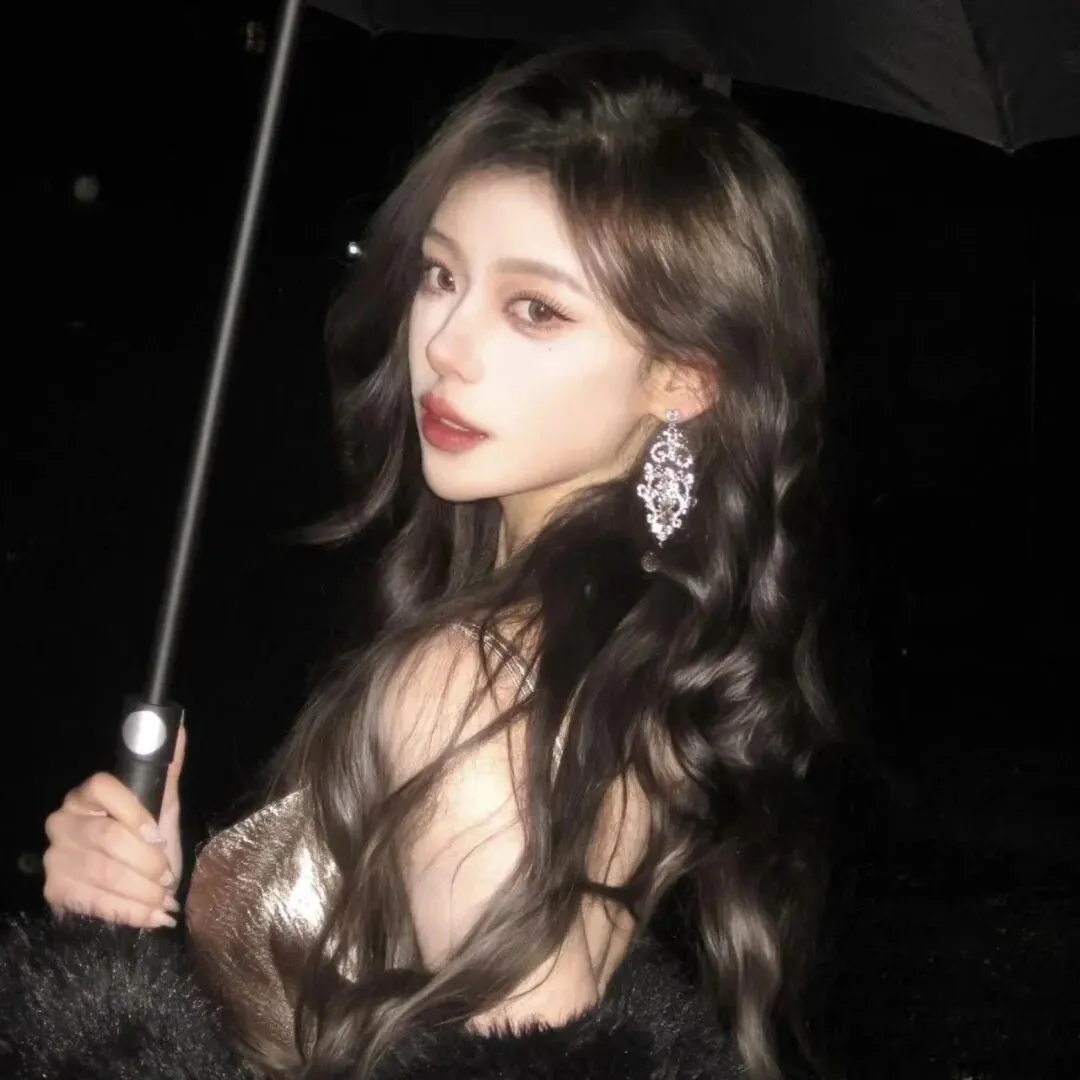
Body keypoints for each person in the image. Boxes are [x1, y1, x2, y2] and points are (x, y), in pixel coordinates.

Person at [39, 45, 835, 1080]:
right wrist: (140, 908)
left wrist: (96, 1001)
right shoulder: (610, 648)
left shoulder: (478, 692)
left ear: (682, 380)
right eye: (440, 275)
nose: (444, 347)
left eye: (535, 309)